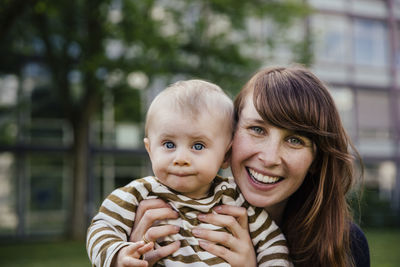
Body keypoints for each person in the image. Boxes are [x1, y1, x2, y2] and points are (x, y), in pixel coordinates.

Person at [128, 66, 371, 267]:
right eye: (257, 129)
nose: (269, 157)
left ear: (316, 160)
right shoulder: (149, 212)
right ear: (229, 137)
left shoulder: (344, 244)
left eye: (295, 140)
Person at [86, 79, 292, 267]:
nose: (181, 158)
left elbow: (272, 243)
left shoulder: (235, 199)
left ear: (226, 155)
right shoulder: (138, 193)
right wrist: (118, 255)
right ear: (150, 150)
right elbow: (102, 227)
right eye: (168, 144)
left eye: (198, 146)